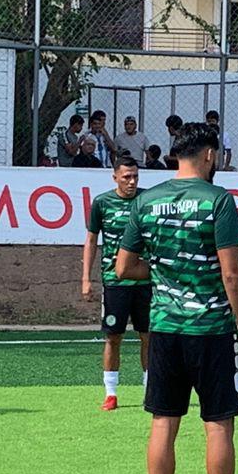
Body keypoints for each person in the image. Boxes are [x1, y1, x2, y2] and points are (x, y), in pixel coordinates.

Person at [115, 122, 238, 474]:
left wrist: (163, 275)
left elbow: (123, 268)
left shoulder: (145, 200)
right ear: (209, 156)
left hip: (164, 329)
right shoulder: (218, 200)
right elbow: (231, 273)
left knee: (163, 423)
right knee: (218, 425)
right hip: (212, 330)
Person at [83, 155, 153, 411]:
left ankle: (150, 391)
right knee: (113, 337)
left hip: (146, 281)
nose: (132, 181)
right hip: (115, 282)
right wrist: (86, 278)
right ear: (115, 177)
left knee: (149, 336)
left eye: (135, 176)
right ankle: (111, 393)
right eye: (127, 177)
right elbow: (91, 241)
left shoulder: (147, 200)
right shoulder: (102, 202)